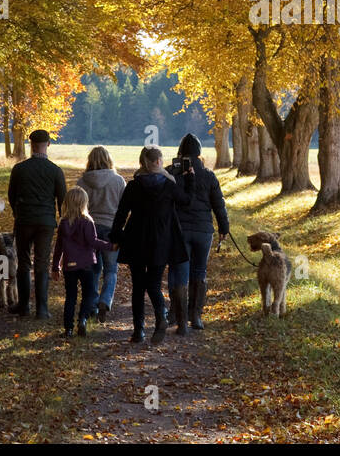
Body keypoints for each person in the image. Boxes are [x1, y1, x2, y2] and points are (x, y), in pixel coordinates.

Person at [109, 146, 191, 345]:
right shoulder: (169, 185)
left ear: (142, 163)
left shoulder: (134, 186)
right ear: (158, 162)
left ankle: (138, 331)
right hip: (161, 241)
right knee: (153, 283)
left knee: (138, 286)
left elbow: (121, 213)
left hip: (136, 239)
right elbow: (186, 201)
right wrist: (190, 179)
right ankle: (160, 319)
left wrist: (116, 237)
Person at [165, 133, 229, 333]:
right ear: (199, 153)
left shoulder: (172, 172)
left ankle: (176, 316)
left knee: (178, 272)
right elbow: (219, 205)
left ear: (181, 152)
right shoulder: (209, 175)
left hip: (179, 231)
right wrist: (223, 229)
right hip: (203, 231)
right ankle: (196, 316)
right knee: (199, 272)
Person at [6, 129, 66, 319]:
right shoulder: (55, 171)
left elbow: (11, 195)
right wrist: (60, 219)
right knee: (41, 263)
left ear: (30, 145)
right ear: (48, 144)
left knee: (23, 262)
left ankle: (24, 305)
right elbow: (62, 200)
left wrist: (18, 212)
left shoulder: (19, 169)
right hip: (46, 222)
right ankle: (42, 308)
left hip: (24, 219)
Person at [51, 186, 113, 337]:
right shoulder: (87, 222)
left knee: (70, 296)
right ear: (84, 203)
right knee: (89, 294)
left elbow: (58, 247)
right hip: (86, 265)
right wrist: (110, 246)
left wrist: (55, 266)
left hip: (69, 266)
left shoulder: (64, 223)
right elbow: (93, 242)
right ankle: (82, 320)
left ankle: (68, 329)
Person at [77, 146, 126, 323]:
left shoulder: (82, 183)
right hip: (112, 228)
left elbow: (77, 207)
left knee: (92, 269)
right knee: (111, 269)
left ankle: (91, 304)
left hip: (89, 229)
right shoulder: (118, 181)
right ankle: (105, 300)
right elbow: (124, 207)